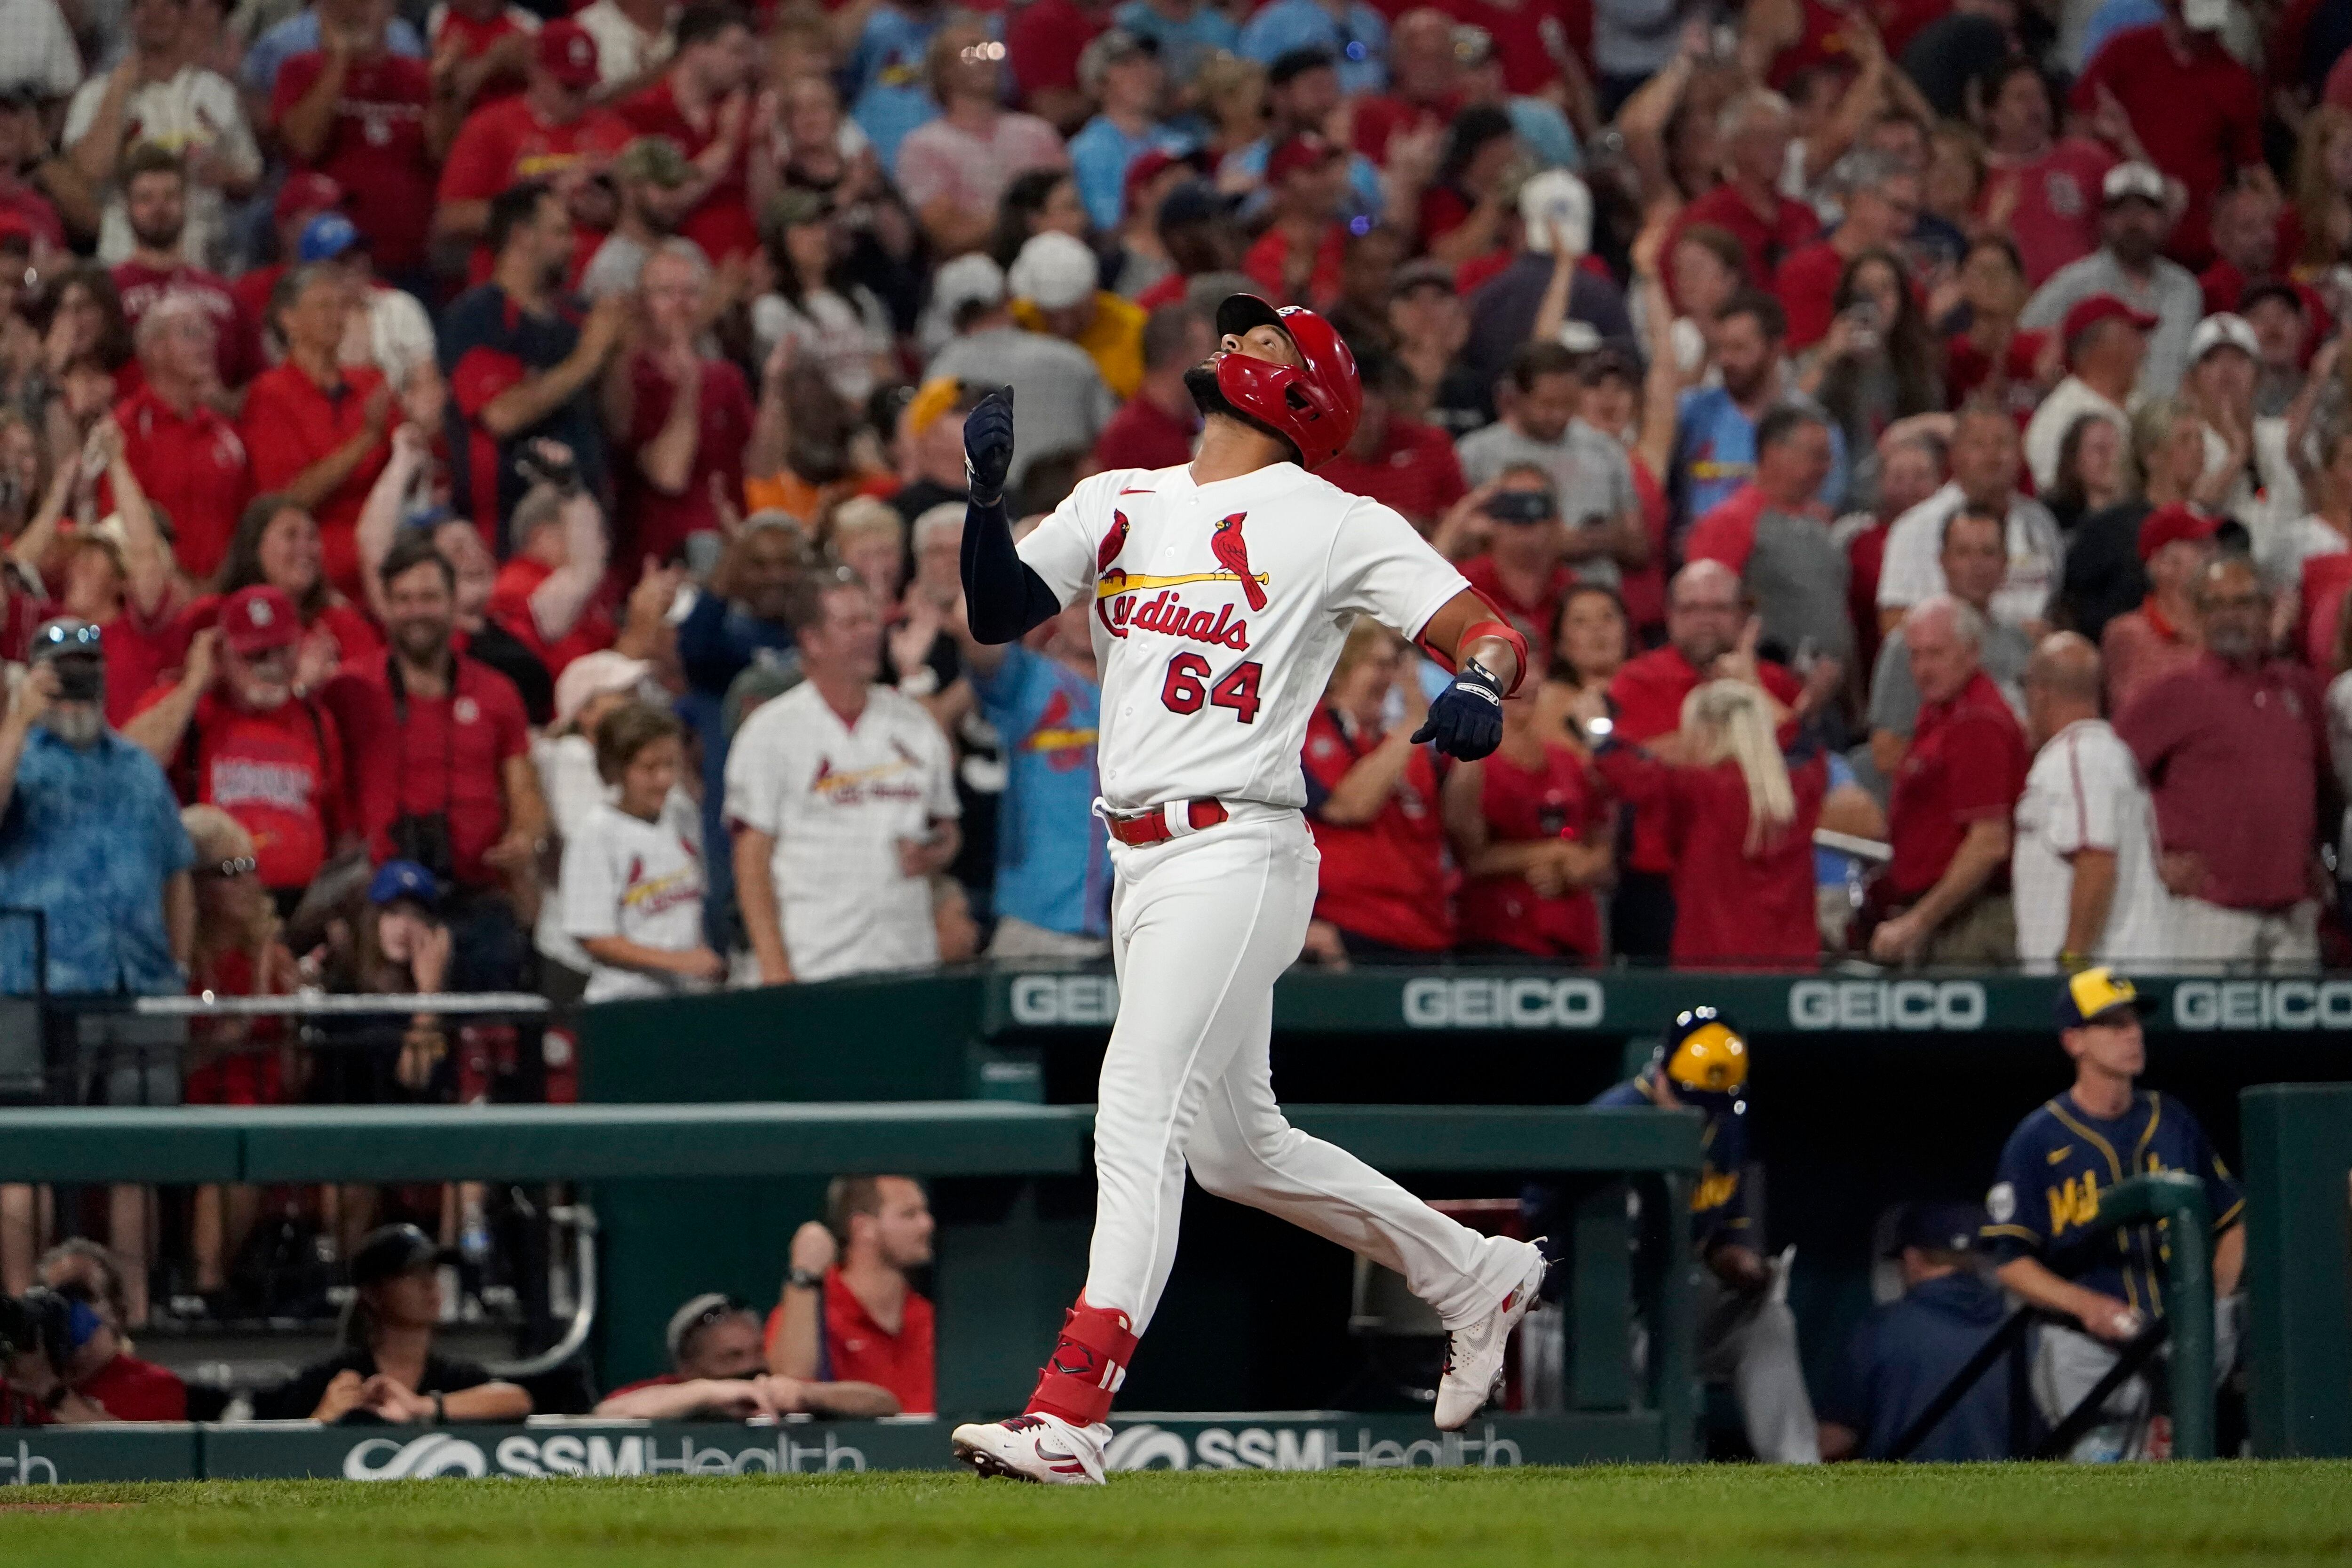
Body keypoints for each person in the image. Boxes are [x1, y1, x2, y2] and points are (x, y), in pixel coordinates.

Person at [949, 295, 1556, 1483]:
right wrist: (983, 504)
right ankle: (1472, 1272)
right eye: (1241, 335)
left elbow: (1489, 633)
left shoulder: (1334, 520)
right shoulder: (1123, 497)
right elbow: (996, 612)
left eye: (1266, 342)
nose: (1237, 345)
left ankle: (1070, 1414)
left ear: (1306, 391)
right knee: (1233, 1147)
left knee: (1137, 1105)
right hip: (1138, 857)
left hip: (1237, 846)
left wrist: (1479, 689)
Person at [0, 618, 194, 1320]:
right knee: (22, 1155)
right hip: (30, 981)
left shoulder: (138, 766)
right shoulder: (18, 754)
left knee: (134, 1158)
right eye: (63, 667)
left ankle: (132, 1308)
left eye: (88, 665)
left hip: (132, 985)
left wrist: (174, 964)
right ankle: (22, 1308)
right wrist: (19, 718)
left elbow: (179, 869)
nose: (77, 680)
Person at [1981, 969, 2245, 1462]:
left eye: (2133, 1021)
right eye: (2111, 1023)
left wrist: (2210, 1296)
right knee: (2099, 1483)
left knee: (2183, 1484)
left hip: (2178, 1340)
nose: (2131, 1034)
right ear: (2073, 1041)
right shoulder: (2037, 1138)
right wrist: (2084, 1305)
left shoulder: (2171, 1119)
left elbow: (2232, 1219)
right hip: (2085, 1345)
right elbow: (2010, 1261)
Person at [1581, 1010, 1819, 1464]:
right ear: (1663, 1074)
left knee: (1768, 1323)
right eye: (1692, 1098)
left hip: (1669, 1310)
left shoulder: (1728, 1125)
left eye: (1715, 1102)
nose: (1702, 1113)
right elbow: (1536, 1213)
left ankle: (1800, 1470)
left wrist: (1745, 1267)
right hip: (1595, 1316)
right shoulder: (1613, 1119)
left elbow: (1720, 1237)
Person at [726, 565, 960, 985]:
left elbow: (946, 828)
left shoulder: (913, 723)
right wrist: (774, 965)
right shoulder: (770, 732)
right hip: (813, 961)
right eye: (850, 623)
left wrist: (935, 852)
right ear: (811, 640)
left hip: (906, 959)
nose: (869, 633)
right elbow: (752, 857)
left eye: (871, 619)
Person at [343, 535, 546, 994]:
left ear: (454, 602)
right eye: (404, 599)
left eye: (430, 597)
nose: (417, 611)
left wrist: (524, 840)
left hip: (475, 897)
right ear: (385, 607)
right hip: (382, 902)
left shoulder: (497, 694)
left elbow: (527, 799)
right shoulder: (351, 688)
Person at [2115, 557, 2328, 970]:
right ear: (2198, 616)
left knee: (2299, 1037)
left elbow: (2324, 784)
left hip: (2293, 915)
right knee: (2205, 1036)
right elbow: (2109, 781)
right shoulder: (2175, 693)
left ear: (2269, 610)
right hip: (2209, 915)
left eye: (2244, 602)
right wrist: (2151, 860)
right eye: (2216, 604)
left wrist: (2319, 855)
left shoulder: (2300, 690)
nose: (2230, 615)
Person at [1606, 560, 1810, 957]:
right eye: (1691, 609)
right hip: (1656, 876)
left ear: (1743, 616)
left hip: (1757, 874)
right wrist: (1742, 742)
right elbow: (1632, 766)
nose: (1705, 620)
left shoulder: (1774, 683)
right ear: (1669, 616)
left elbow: (1803, 760)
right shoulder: (1636, 680)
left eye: (1718, 609)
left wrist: (1749, 684)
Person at [123, 585, 349, 913]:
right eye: (255, 655)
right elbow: (127, 766)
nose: (270, 666)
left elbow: (338, 824)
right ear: (222, 652)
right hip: (211, 904)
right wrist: (194, 684)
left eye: (280, 651)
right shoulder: (192, 708)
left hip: (302, 909)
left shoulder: (316, 720)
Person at [1589, 680, 1825, 968]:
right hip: (1793, 973)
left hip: (1712, 968)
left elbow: (1630, 772)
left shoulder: (1697, 789)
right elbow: (1798, 735)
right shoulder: (1808, 784)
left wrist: (1596, 731)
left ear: (1708, 733)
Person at [439, 181, 625, 541]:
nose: (573, 246)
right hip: (512, 531)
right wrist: (590, 355)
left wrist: (617, 355)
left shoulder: (578, 319)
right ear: (522, 237)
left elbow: (618, 423)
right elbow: (501, 414)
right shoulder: (478, 317)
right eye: (560, 232)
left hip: (588, 520)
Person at [950, 544, 1110, 961]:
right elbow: (976, 634)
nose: (1087, 615)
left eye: (1099, 601)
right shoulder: (1027, 678)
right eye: (1075, 603)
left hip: (1129, 923)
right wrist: (1020, 551)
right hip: (1037, 921)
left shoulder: (1149, 686)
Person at [1868, 596, 2030, 966]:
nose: (1923, 669)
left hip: (1971, 921)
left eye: (1936, 654)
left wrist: (1917, 921)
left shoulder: (1977, 722)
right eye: (1915, 655)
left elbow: (1988, 842)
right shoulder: (1938, 712)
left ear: (1972, 653)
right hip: (1946, 915)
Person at [2011, 633, 2174, 974]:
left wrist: (2073, 960)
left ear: (2039, 693)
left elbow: (2096, 860)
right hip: (2123, 970)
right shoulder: (2109, 752)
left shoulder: (2077, 756)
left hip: (2101, 977)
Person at [256, 1223, 532, 1423]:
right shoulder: (333, 1379)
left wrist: (422, 1406)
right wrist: (322, 1419)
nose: (430, 1285)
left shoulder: (454, 1377)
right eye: (411, 1275)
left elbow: (516, 1400)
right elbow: (271, 1457)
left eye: (433, 1272)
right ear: (373, 1294)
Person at [63, 0, 261, 270]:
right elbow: (90, 170)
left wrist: (226, 174)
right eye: (143, 6)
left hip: (201, 254)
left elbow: (251, 174)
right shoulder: (97, 93)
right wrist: (119, 88)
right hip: (124, 254)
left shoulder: (215, 90)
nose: (154, 14)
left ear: (183, 16)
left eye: (166, 6)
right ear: (128, 17)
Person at [1300, 621, 1452, 965]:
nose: (1391, 677)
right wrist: (1414, 723)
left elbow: (1454, 824)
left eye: (1396, 665)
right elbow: (1351, 806)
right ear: (1339, 670)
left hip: (1424, 932)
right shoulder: (1308, 732)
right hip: (1346, 929)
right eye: (1378, 664)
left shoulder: (1403, 748)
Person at [239, 264, 392, 600]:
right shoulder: (271, 394)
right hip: (317, 566)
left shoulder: (370, 384)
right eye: (323, 306)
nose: (336, 317)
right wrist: (365, 440)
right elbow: (288, 499)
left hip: (387, 549)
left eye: (341, 306)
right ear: (288, 319)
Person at [433, 20, 633, 277]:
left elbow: (652, 212)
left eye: (586, 87)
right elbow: (452, 218)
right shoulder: (491, 126)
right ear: (536, 73)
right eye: (569, 87)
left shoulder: (614, 130)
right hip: (516, 284)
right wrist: (550, 201)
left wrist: (613, 212)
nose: (580, 98)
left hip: (600, 281)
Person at [1817, 1203, 2013, 1462]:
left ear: (1912, 1259)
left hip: (1907, 1498)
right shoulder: (2019, 1330)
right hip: (2004, 1498)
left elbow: (1834, 1441)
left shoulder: (1880, 1329)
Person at [557, 700, 721, 1003]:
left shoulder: (682, 815)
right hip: (625, 1000)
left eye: (670, 764)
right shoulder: (596, 833)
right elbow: (594, 937)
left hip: (688, 996)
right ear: (618, 769)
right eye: (649, 768)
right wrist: (679, 962)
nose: (663, 779)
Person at [268, 0, 441, 288]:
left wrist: (447, 95)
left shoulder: (421, 77)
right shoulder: (300, 70)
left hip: (409, 258)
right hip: (326, 259)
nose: (353, 11)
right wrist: (339, 63)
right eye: (341, 4)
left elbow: (441, 154)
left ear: (390, 9)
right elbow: (304, 143)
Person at [1456, 341, 1645, 593]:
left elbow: (1640, 547)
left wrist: (1599, 540)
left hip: (1593, 599)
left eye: (1568, 404)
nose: (1558, 415)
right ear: (1516, 398)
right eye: (1546, 404)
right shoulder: (1475, 454)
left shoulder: (1605, 450)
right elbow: (1457, 540)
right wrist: (1547, 542)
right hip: (1504, 600)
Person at [611, 242, 753, 563]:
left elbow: (762, 466)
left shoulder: (726, 376)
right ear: (641, 304)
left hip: (730, 539)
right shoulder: (630, 378)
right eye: (666, 293)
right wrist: (689, 388)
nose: (681, 305)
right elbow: (669, 474)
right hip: (665, 554)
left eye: (690, 293)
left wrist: (775, 391)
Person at [1868, 504, 2031, 780]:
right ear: (1943, 561)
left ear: (2005, 563)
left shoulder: (2021, 643)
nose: (1976, 565)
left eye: (1988, 553)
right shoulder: (1910, 643)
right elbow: (1885, 751)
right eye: (1963, 553)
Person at [1683, 403, 1848, 675]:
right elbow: (1708, 617)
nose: (1826, 468)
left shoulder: (1819, 525)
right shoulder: (1730, 523)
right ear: (1774, 453)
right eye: (1817, 457)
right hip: (1764, 686)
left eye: (1829, 458)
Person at [1878, 401, 2061, 639]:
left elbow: (2053, 605)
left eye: (2003, 444)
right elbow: (1893, 623)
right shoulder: (1914, 528)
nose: (1992, 456)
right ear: (1954, 455)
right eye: (1978, 445)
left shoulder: (2040, 523)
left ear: (2020, 455)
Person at [2018, 163, 2201, 398]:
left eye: (2144, 212)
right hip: (2098, 421)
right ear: (2105, 220)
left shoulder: (2185, 289)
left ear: (2163, 219)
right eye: (2123, 212)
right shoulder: (2074, 282)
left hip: (2167, 424)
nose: (2133, 222)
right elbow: (2023, 342)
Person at [1671, 291, 1845, 533]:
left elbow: (1821, 515)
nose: (1725, 360)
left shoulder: (1815, 427)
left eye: (1738, 348)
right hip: (1699, 555)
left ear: (1775, 349)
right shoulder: (1691, 411)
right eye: (1720, 349)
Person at [768, 1175, 939, 1416]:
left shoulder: (932, 1318)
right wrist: (804, 1275)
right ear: (863, 1227)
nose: (927, 1224)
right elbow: (789, 1389)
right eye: (909, 1214)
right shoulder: (813, 1312)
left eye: (925, 1213)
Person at [896, 23, 1068, 259]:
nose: (986, 59)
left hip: (1049, 258)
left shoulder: (1037, 132)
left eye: (992, 50)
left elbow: (1068, 212)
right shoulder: (923, 147)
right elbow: (952, 234)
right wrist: (1026, 214)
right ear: (943, 71)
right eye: (972, 52)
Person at [114, 291, 253, 582]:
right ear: (156, 350)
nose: (207, 344)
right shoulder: (127, 430)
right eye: (191, 333)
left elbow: (246, 523)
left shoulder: (226, 432)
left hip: (225, 591)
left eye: (209, 333)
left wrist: (217, 587)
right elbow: (117, 526)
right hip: (155, 595)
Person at [617, 2, 763, 265]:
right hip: (677, 273)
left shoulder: (738, 110)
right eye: (736, 51)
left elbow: (763, 207)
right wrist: (725, 147)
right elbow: (662, 205)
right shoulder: (643, 114)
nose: (746, 64)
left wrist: (761, 144)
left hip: (748, 264)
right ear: (696, 51)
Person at [597, 1293, 899, 1419]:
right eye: (731, 1357)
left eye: (756, 1351)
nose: (748, 1366)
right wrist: (708, 1393)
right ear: (689, 1367)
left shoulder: (778, 1388)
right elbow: (607, 1414)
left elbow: (884, 1403)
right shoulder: (671, 1392)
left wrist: (810, 1395)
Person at [108, 143, 256, 396]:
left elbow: (256, 383)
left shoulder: (225, 293)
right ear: (126, 208)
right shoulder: (108, 291)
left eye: (170, 197)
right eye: (146, 198)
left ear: (185, 202)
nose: (159, 208)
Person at [0, 1252, 188, 1423]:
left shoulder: (156, 1386)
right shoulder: (13, 1387)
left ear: (117, 1312)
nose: (66, 1309)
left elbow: (136, 1454)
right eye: (52, 1300)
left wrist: (50, 1392)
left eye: (79, 1295)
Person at [2024, 294, 2153, 494]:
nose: (2145, 349)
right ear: (2103, 348)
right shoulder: (2059, 418)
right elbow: (2055, 499)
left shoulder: (2139, 402)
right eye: (2134, 336)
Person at [2100, 504, 2217, 712]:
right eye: (2199, 545)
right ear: (2164, 564)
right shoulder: (2131, 635)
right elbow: (2135, 717)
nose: (2213, 552)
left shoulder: (2220, 630)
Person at [1009, 230, 1149, 401]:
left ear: (1094, 291)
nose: (1064, 325)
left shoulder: (1137, 329)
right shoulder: (1017, 319)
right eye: (1052, 315)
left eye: (1076, 313)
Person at [1090, 302, 1212, 473]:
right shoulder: (1131, 439)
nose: (1214, 366)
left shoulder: (1187, 426)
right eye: (1207, 354)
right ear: (1177, 357)